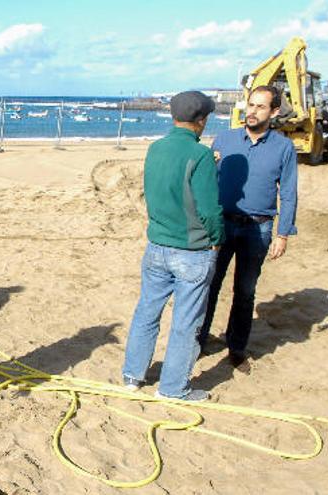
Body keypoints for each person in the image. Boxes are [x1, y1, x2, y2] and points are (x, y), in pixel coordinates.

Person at [121, 91, 224, 402]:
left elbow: (156, 192)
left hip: (157, 245)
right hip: (191, 250)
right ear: (201, 120)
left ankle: (132, 376)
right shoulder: (201, 155)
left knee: (147, 311)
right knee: (186, 321)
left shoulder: (156, 148)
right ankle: (173, 388)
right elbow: (209, 210)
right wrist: (217, 240)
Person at [198, 85, 298, 367]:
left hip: (259, 229)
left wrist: (283, 233)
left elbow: (289, 192)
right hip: (221, 225)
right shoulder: (224, 140)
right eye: (250, 105)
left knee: (245, 291)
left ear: (274, 112)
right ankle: (198, 340)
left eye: (260, 107)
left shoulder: (284, 147)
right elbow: (205, 182)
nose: (251, 112)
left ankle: (237, 347)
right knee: (209, 285)